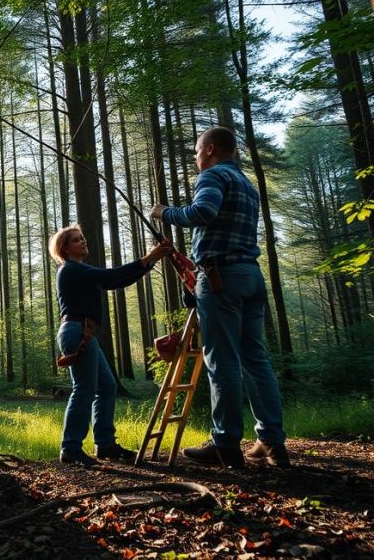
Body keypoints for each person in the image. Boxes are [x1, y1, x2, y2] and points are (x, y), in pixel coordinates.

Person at [152, 126, 290, 468]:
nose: (197, 158)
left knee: (222, 360)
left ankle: (225, 443)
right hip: (250, 276)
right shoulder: (247, 185)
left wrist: (164, 213)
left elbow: (204, 213)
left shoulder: (212, 176)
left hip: (220, 279)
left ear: (210, 149)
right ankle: (272, 443)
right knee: (255, 359)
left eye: (198, 151)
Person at [49, 224, 170, 466]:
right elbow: (111, 276)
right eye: (76, 240)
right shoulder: (70, 270)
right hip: (76, 332)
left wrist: (150, 262)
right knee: (84, 388)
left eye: (82, 237)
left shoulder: (80, 269)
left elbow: (115, 282)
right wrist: (149, 258)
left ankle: (105, 445)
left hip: (83, 333)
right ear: (65, 249)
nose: (83, 241)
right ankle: (71, 448)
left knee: (106, 387)